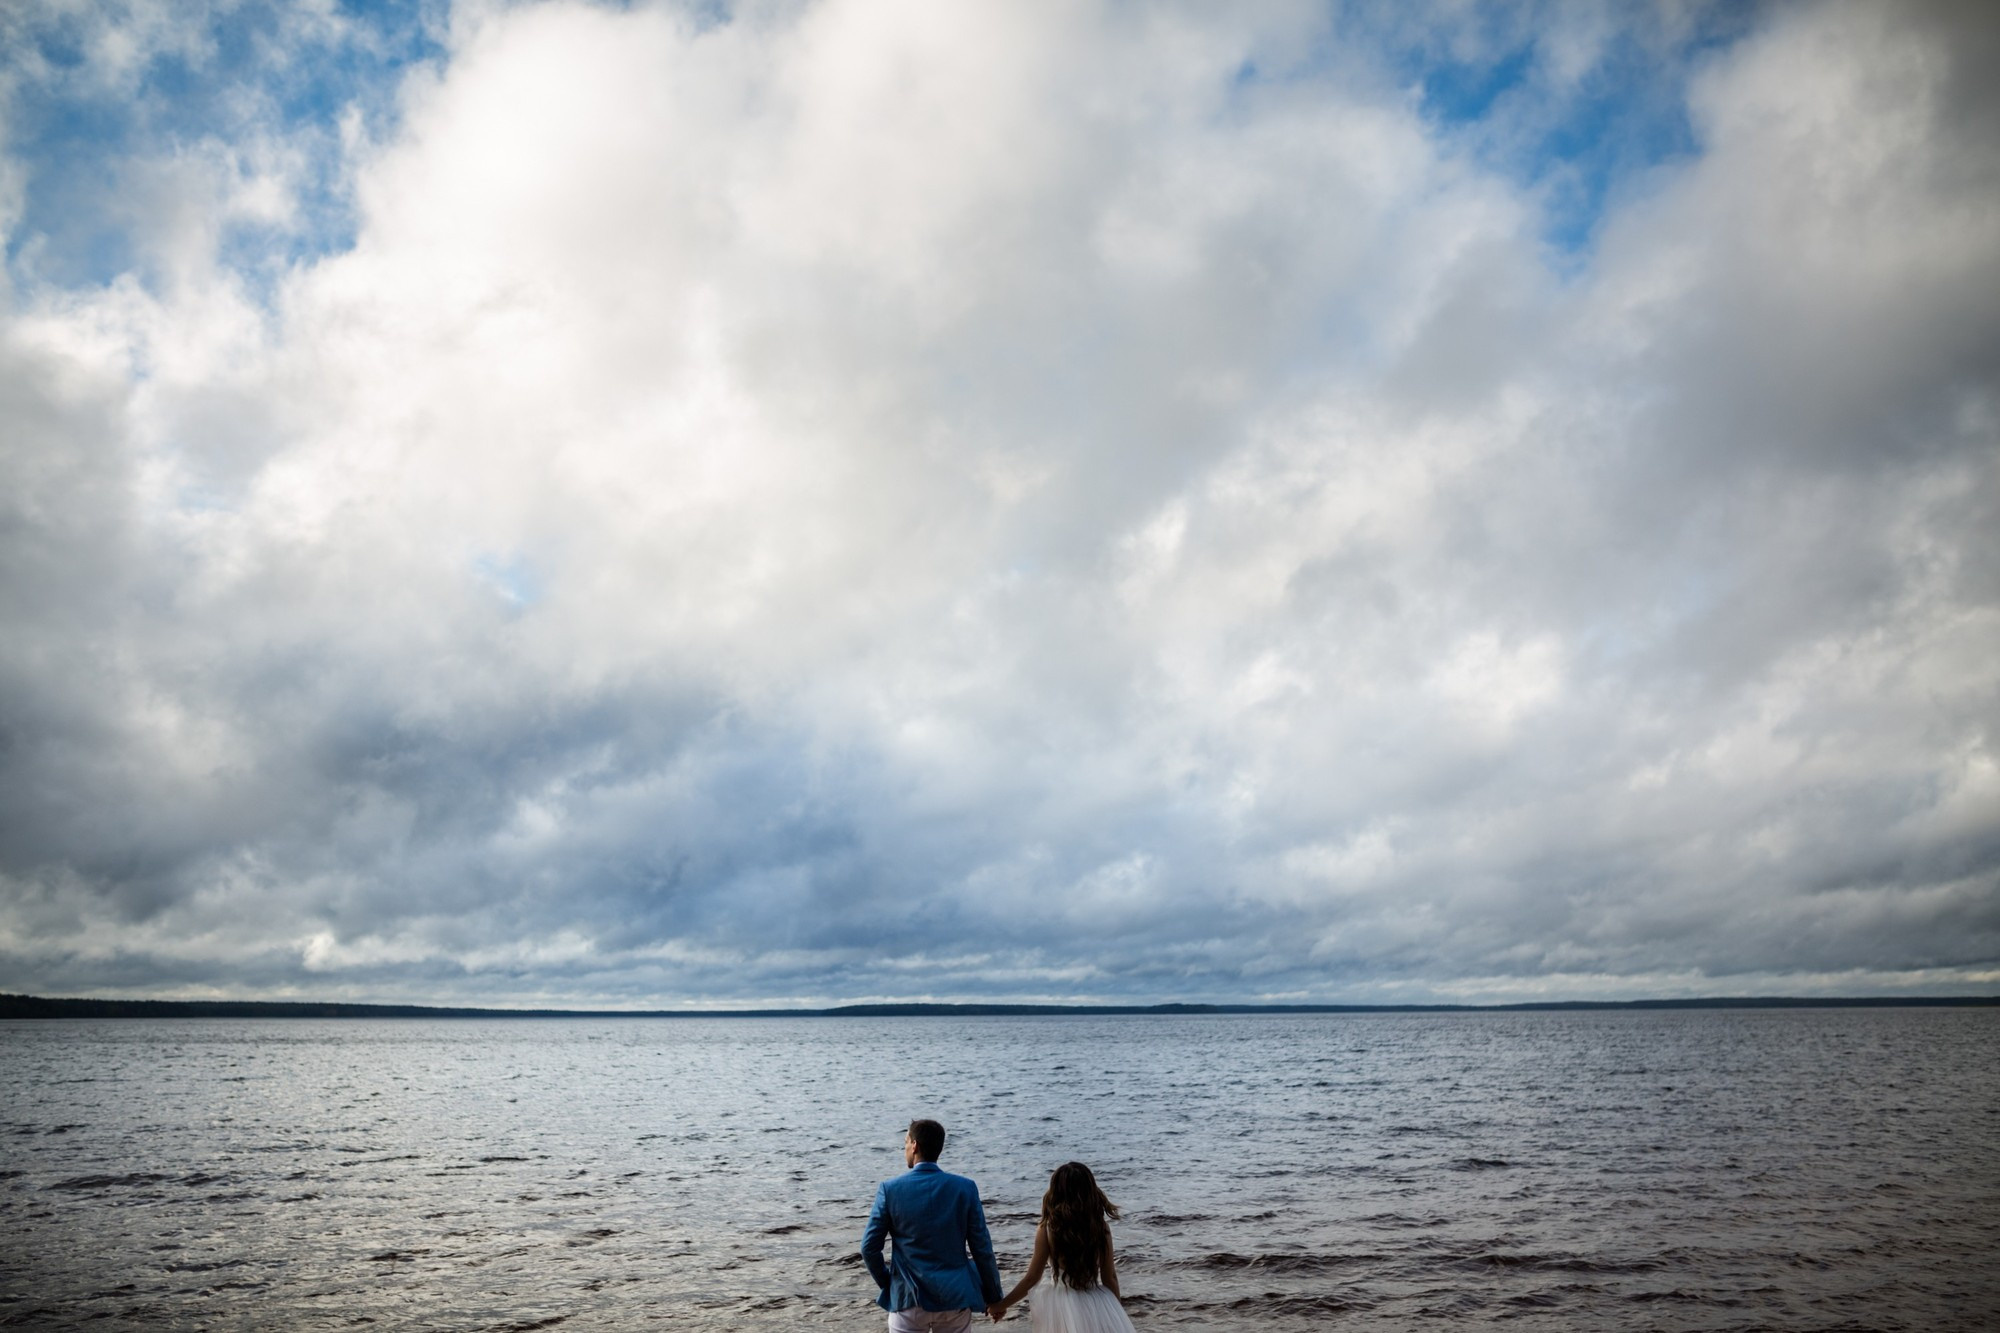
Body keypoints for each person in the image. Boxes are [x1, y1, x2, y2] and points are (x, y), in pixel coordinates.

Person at [862, 1118, 1005, 1333]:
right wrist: (994, 1298)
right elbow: (982, 1250)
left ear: (915, 1145)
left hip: (908, 1301)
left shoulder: (890, 1190)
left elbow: (869, 1248)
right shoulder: (965, 1188)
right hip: (955, 1298)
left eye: (905, 1142)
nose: (905, 1149)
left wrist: (890, 1284)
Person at [986, 1161, 1136, 1331]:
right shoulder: (1100, 1227)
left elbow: (1032, 1277)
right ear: (1090, 1190)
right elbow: (1110, 1277)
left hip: (1061, 1302)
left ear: (1055, 1191)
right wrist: (1116, 1312)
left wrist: (1002, 1305)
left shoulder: (1048, 1228)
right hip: (1097, 1299)